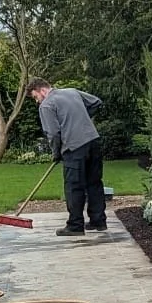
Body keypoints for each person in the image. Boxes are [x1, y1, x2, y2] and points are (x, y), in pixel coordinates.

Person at [29, 80, 107, 235]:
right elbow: (96, 102)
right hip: (93, 141)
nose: (37, 101)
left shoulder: (46, 105)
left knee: (74, 187)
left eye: (35, 97)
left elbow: (53, 134)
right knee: (94, 183)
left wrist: (56, 153)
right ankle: (98, 221)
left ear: (41, 90)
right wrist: (80, 118)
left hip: (74, 147)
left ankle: (75, 226)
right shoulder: (72, 91)